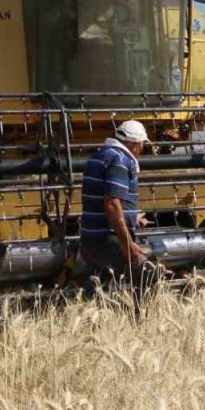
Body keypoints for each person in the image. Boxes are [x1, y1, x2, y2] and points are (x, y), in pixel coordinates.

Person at [79, 120, 153, 288]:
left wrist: (131, 217)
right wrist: (128, 245)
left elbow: (101, 199)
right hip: (108, 241)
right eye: (141, 146)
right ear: (134, 144)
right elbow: (112, 203)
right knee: (148, 275)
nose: (140, 151)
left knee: (102, 289)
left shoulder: (98, 156)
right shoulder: (120, 160)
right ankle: (140, 315)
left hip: (89, 239)